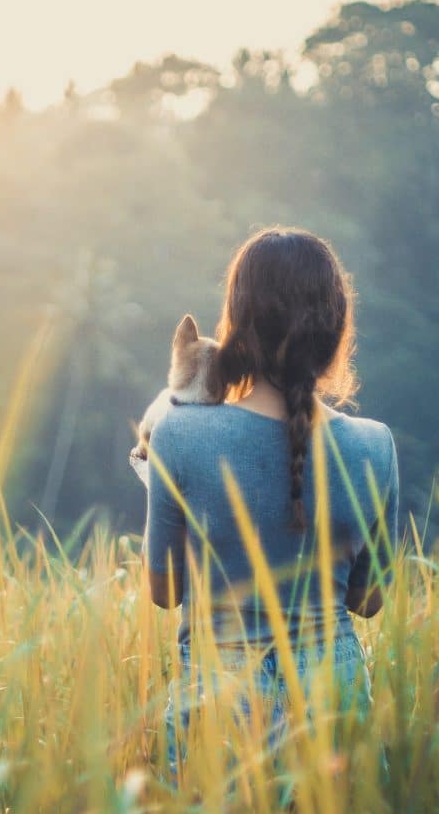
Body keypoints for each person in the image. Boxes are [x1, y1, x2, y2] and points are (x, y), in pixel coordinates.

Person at [138, 226, 400, 782]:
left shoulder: (180, 437)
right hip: (335, 697)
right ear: (334, 330)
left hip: (220, 699)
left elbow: (165, 593)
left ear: (236, 327)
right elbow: (369, 601)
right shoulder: (375, 445)